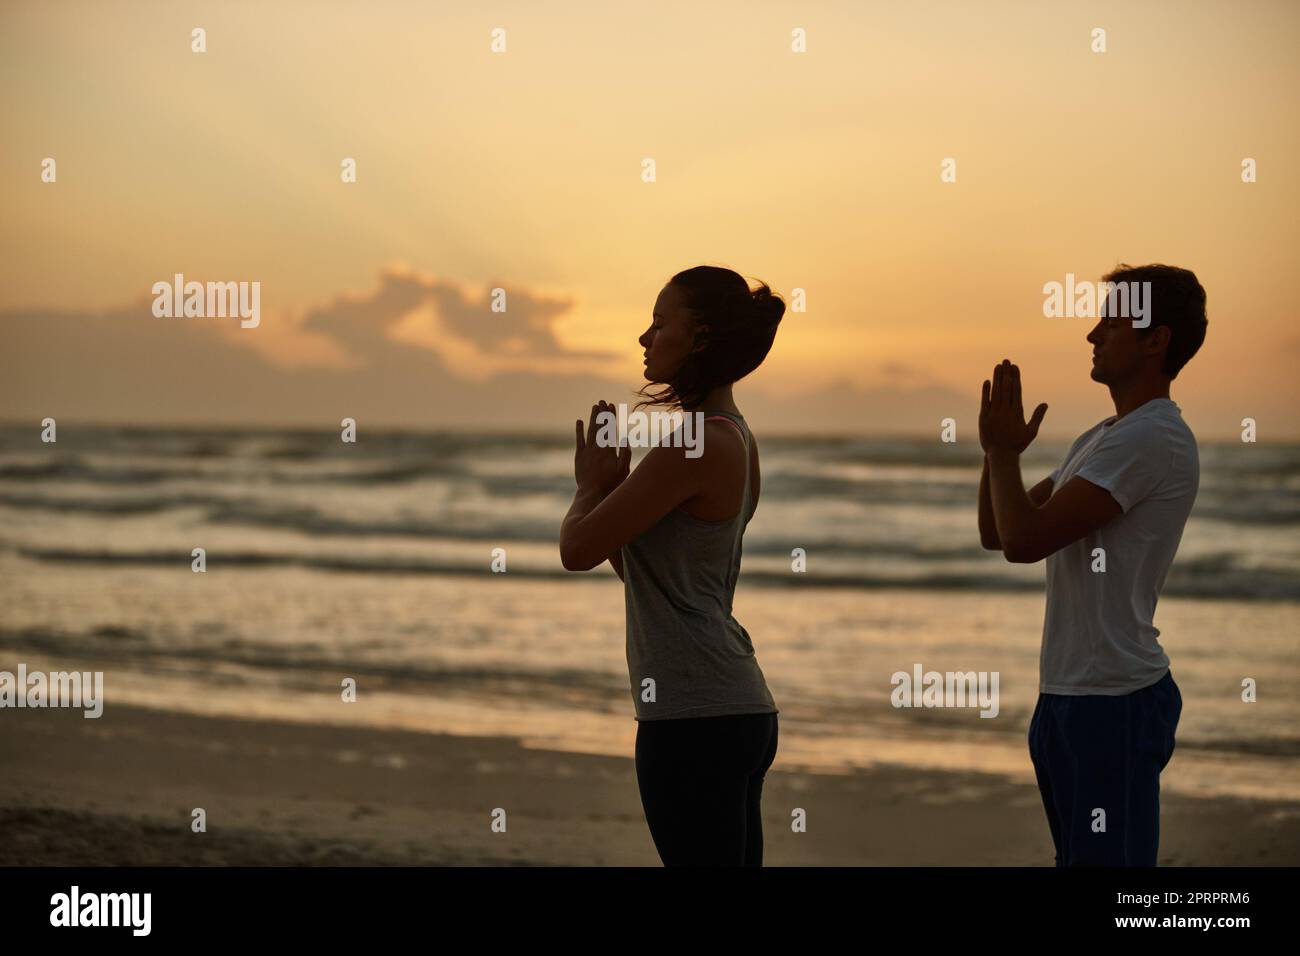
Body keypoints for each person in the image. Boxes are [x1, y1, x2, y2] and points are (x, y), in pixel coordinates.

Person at [978, 263, 1207, 866]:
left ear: (1157, 339)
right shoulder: (1103, 436)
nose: (1093, 334)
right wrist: (994, 453)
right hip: (1067, 693)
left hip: (1115, 698)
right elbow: (997, 533)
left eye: (1112, 320)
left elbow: (1024, 541)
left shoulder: (1153, 438)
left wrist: (1004, 453)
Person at [560, 265, 784, 866]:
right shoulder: (735, 435)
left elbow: (575, 550)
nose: (644, 338)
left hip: (694, 718)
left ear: (702, 338)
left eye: (660, 324)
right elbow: (652, 573)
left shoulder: (696, 442)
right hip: (735, 708)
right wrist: (615, 493)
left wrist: (591, 486)